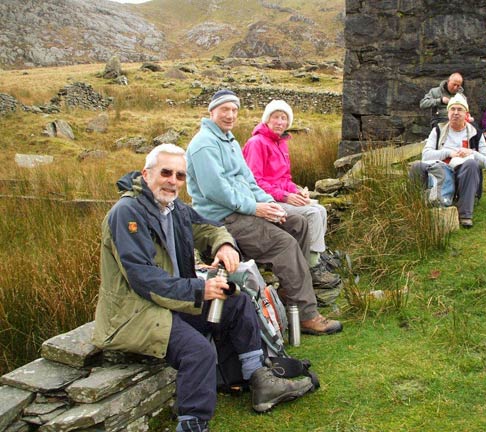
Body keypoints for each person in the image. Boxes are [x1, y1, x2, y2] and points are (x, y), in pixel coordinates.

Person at [92, 144, 314, 432]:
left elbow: (210, 227)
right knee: (198, 352)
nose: (173, 181)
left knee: (237, 303)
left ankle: (259, 380)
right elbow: (142, 278)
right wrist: (199, 291)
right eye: (166, 173)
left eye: (180, 176)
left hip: (170, 301)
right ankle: (192, 424)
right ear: (146, 174)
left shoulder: (174, 208)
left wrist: (223, 244)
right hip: (136, 312)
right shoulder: (127, 214)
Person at [185, 89, 343, 336]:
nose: (230, 115)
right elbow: (217, 191)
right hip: (222, 219)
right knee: (284, 244)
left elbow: (250, 182)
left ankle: (291, 295)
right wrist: (256, 208)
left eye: (234, 110)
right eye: (224, 109)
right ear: (212, 111)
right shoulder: (203, 145)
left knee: (298, 222)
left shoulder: (230, 141)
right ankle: (307, 315)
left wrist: (273, 206)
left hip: (243, 212)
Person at [242, 99, 340, 289]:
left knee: (319, 209)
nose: (280, 122)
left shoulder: (281, 144)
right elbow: (254, 181)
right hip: (265, 201)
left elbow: (285, 178)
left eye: (284, 118)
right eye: (276, 117)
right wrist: (285, 196)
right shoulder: (256, 143)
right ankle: (312, 268)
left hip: (280, 195)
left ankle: (317, 256)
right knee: (311, 213)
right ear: (267, 119)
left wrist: (297, 191)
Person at [410, 93, 486, 228]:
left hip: (463, 172)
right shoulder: (438, 130)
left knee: (470, 164)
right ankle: (414, 207)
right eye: (452, 109)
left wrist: (471, 153)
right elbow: (426, 155)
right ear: (448, 113)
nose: (456, 113)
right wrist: (448, 153)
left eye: (460, 109)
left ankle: (465, 214)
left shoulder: (476, 133)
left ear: (466, 113)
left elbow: (485, 161)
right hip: (440, 169)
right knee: (417, 166)